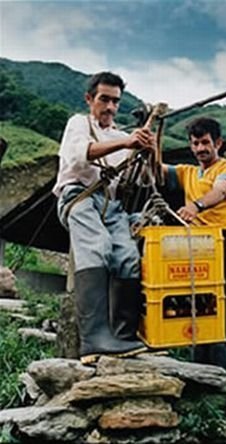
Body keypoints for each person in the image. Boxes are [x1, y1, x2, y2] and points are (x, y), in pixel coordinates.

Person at [53, 71, 155, 363]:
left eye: (115, 102)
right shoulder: (79, 123)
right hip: (78, 196)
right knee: (97, 247)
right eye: (104, 99)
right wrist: (127, 144)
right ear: (90, 99)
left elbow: (147, 179)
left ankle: (123, 336)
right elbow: (79, 155)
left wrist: (149, 149)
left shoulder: (123, 137)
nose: (110, 107)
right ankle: (94, 339)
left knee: (127, 256)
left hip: (110, 204)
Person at [163, 117, 226, 370]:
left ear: (217, 143)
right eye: (195, 143)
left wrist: (195, 206)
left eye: (205, 142)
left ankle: (223, 374)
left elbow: (220, 192)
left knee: (224, 303)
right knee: (198, 304)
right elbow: (157, 168)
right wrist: (147, 140)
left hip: (225, 242)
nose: (200, 148)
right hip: (197, 247)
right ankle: (199, 370)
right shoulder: (188, 172)